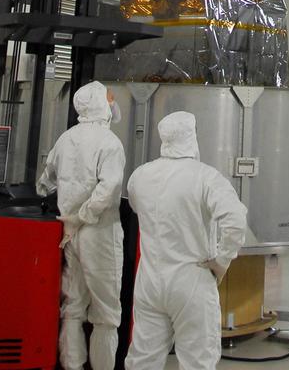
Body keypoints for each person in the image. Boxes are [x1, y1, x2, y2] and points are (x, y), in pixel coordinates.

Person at [125, 111, 248, 370]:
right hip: (192, 280)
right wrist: (222, 260)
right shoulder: (206, 177)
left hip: (149, 282)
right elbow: (235, 220)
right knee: (197, 360)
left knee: (143, 358)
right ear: (192, 137)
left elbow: (137, 208)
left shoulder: (140, 176)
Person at [36, 81, 125, 370]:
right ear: (101, 103)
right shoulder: (110, 143)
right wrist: (84, 215)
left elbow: (44, 182)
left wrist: (69, 214)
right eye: (110, 98)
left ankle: (71, 365)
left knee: (73, 305)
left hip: (69, 234)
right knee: (106, 313)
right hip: (99, 232)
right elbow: (108, 189)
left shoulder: (66, 138)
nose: (113, 103)